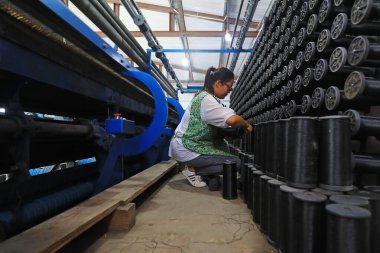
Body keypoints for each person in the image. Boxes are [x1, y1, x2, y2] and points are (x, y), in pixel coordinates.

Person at [169, 66, 253, 190]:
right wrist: (246, 125)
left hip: (189, 144)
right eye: (228, 87)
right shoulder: (207, 100)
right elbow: (233, 120)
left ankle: (204, 171)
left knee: (223, 147)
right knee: (235, 163)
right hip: (186, 147)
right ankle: (194, 170)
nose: (228, 91)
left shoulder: (206, 97)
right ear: (219, 83)